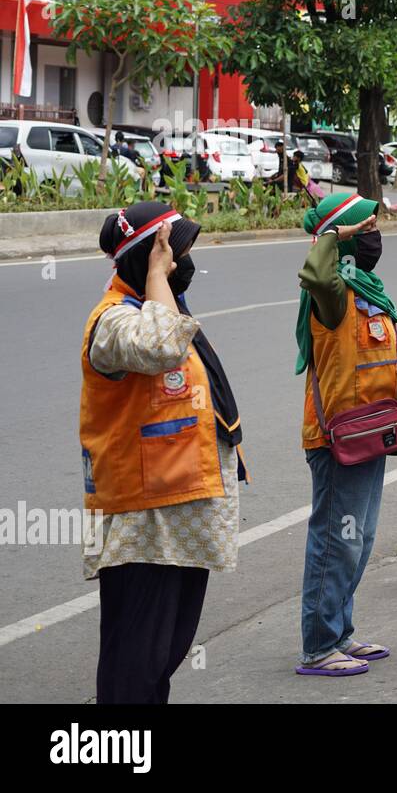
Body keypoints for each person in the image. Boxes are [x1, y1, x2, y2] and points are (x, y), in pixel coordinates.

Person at [81, 202, 248, 703]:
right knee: (136, 657)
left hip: (178, 513)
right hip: (142, 520)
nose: (183, 265)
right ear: (146, 261)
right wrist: (157, 270)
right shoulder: (112, 322)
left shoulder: (159, 311)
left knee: (165, 651)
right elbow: (159, 348)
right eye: (176, 255)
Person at [294, 193, 397, 675]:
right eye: (370, 227)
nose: (378, 235)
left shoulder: (366, 289)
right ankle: (319, 645)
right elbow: (315, 272)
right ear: (348, 238)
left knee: (358, 539)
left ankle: (341, 631)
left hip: (371, 432)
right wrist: (334, 236)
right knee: (337, 541)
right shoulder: (332, 293)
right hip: (339, 438)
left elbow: (359, 360)